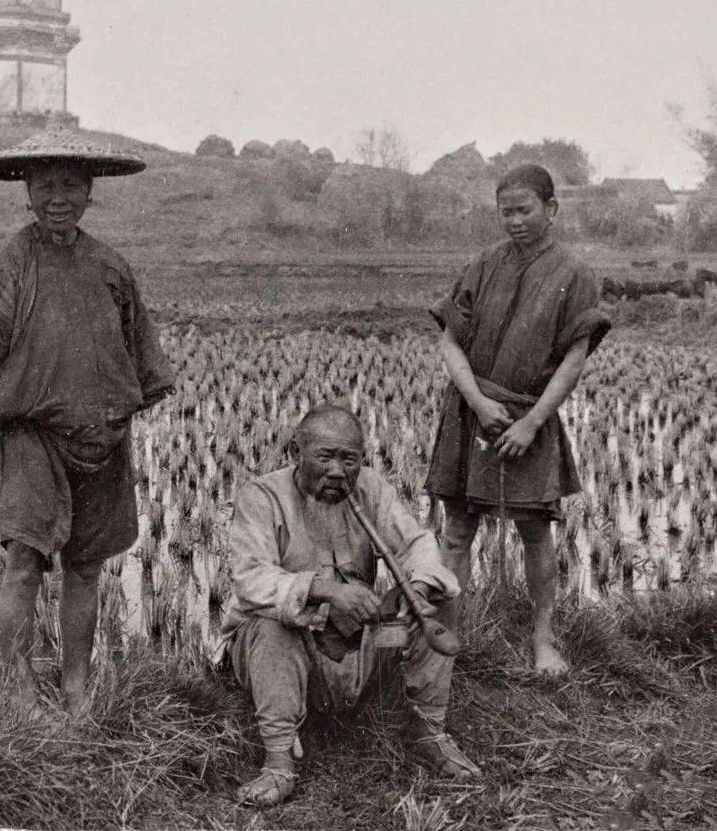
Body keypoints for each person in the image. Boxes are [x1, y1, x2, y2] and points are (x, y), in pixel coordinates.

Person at [0, 124, 175, 713]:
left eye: (71, 185)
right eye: (45, 185)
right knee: (23, 560)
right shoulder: (6, 264)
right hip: (31, 437)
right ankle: (19, 690)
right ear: (26, 190)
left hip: (102, 438)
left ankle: (76, 685)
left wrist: (112, 416)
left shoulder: (110, 266)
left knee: (87, 566)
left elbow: (138, 357)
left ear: (90, 191)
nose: (58, 198)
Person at [216, 404, 479, 808]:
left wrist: (418, 586)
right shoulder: (262, 496)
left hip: (361, 646)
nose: (338, 471)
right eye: (325, 457)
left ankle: (429, 732)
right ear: (294, 452)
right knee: (268, 624)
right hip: (296, 649)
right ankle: (279, 759)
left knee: (438, 599)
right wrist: (326, 592)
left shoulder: (370, 489)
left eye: (349, 459)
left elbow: (417, 543)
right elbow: (250, 580)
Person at [425, 163, 610, 675]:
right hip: (471, 411)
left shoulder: (574, 274)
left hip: (531, 415)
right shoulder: (482, 265)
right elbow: (450, 342)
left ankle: (543, 640)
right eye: (505, 212)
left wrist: (531, 424)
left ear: (551, 209)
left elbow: (574, 359)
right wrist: (478, 404)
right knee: (458, 530)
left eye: (524, 210)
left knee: (534, 530)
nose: (514, 221)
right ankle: (447, 638)